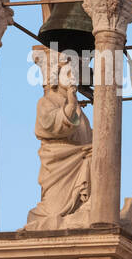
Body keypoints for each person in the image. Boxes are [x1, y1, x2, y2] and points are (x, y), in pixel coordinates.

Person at [25, 47, 92, 231]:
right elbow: (49, 126)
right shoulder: (46, 102)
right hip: (58, 164)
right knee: (54, 211)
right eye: (69, 73)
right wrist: (70, 105)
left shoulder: (78, 109)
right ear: (56, 75)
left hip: (77, 162)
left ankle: (87, 206)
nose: (73, 78)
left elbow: (87, 137)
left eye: (75, 74)